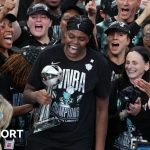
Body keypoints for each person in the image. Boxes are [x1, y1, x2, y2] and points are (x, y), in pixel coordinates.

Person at [23, 15, 111, 150]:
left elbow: (102, 110)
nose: (75, 42)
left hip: (78, 141)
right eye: (71, 36)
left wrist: (99, 148)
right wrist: (36, 96)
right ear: (64, 33)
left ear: (88, 39)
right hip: (43, 137)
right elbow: (26, 93)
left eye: (81, 39)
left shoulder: (99, 63)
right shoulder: (47, 55)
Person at [106, 46, 150, 149]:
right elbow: (104, 121)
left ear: (146, 65)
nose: (129, 66)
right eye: (127, 62)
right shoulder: (114, 86)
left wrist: (139, 114)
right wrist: (122, 115)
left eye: (135, 63)